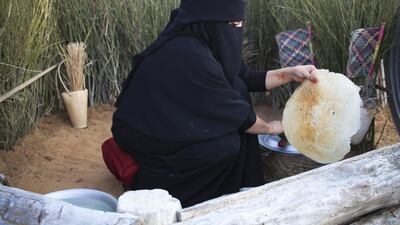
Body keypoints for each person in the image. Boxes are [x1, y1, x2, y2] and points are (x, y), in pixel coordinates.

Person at [112, 0, 317, 207]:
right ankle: (159, 190)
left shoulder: (204, 39)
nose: (238, 30)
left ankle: (240, 184)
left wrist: (290, 73)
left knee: (237, 88)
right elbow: (238, 115)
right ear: (209, 21)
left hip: (167, 115)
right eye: (234, 24)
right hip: (141, 131)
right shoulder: (190, 54)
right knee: (223, 147)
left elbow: (243, 76)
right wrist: (273, 127)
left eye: (240, 23)